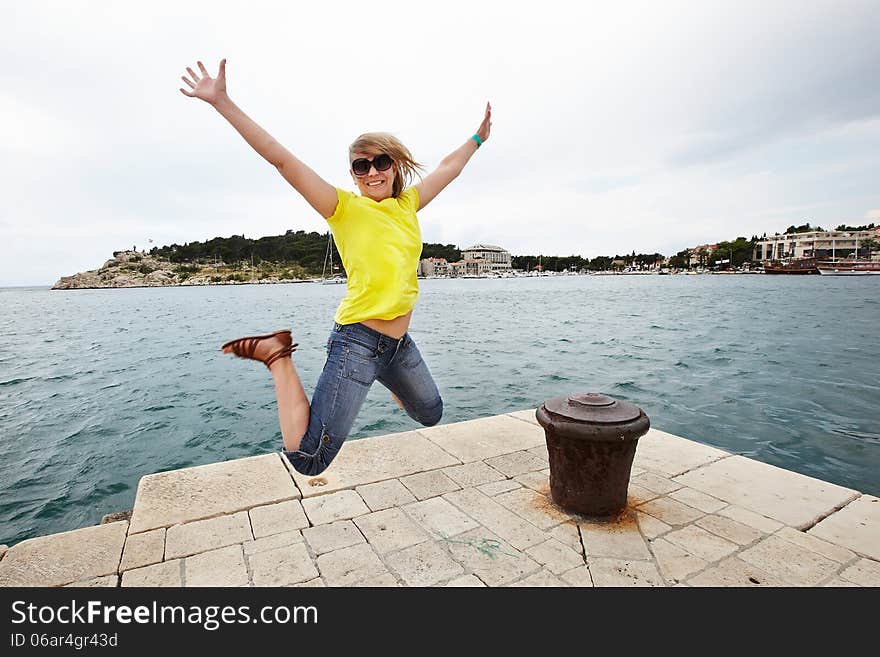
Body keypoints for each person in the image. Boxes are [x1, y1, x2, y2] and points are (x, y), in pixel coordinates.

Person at [179, 59, 491, 475]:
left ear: (394, 164)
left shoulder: (409, 205)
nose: (373, 171)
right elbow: (282, 160)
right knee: (309, 459)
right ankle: (276, 355)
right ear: (354, 175)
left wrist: (477, 138)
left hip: (398, 346)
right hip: (357, 343)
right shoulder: (343, 208)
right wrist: (222, 102)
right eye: (362, 166)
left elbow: (448, 168)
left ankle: (382, 376)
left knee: (431, 412)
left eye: (381, 161)